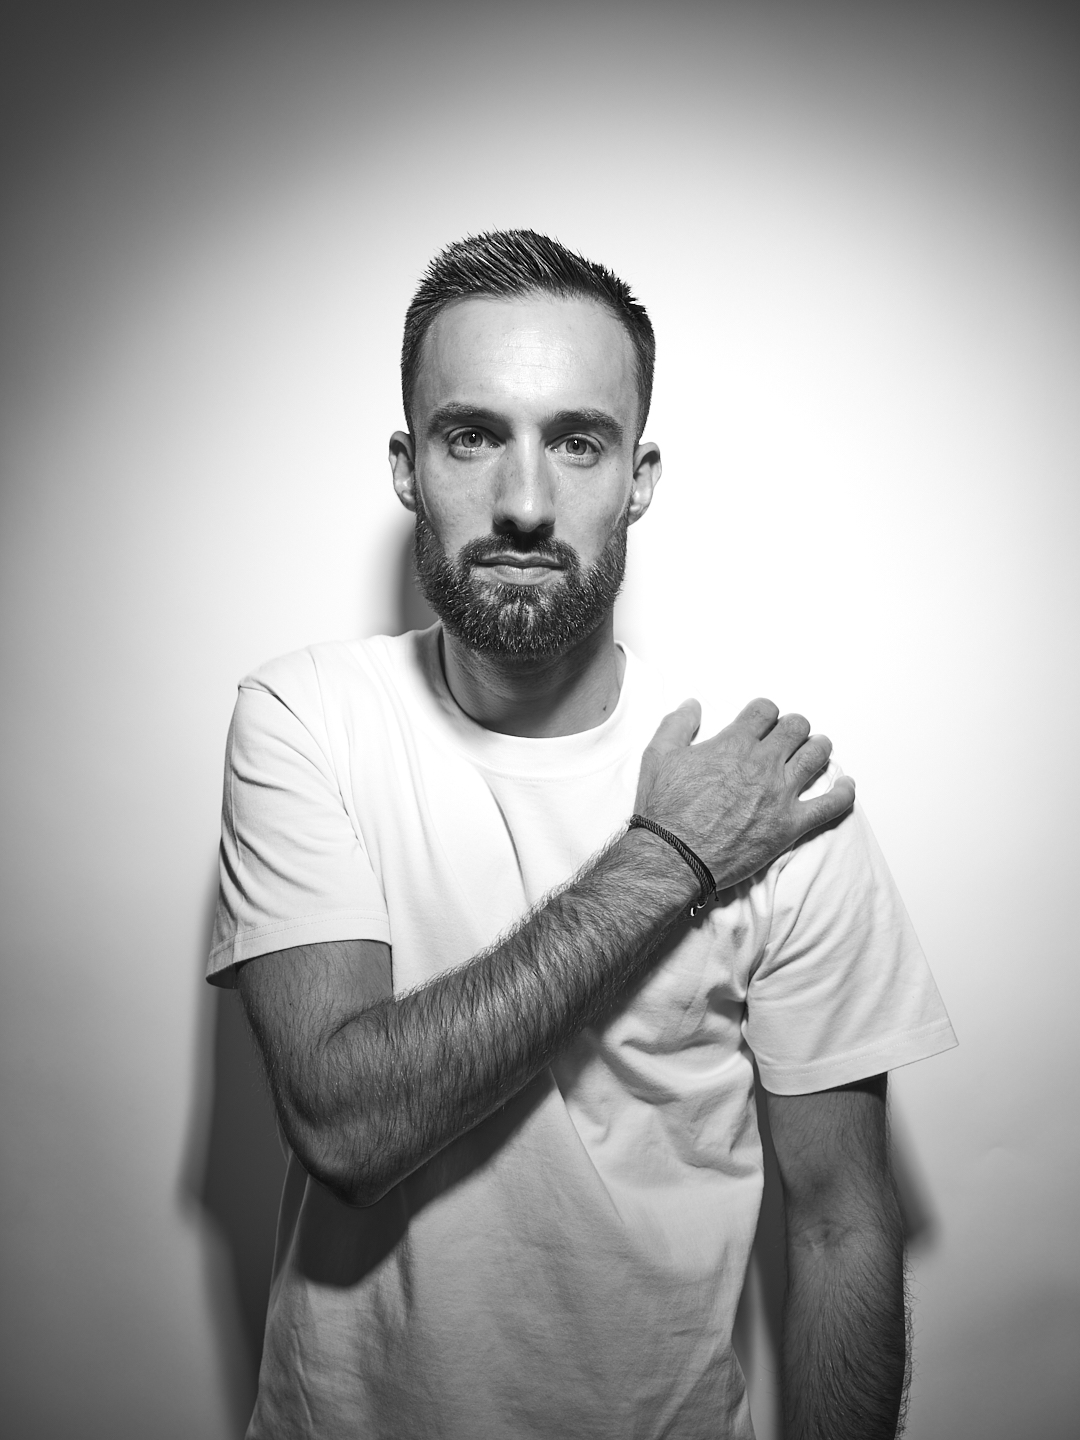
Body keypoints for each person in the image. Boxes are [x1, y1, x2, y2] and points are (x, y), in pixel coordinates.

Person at [208, 229, 956, 1440]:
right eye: (471, 436)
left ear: (640, 478)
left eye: (577, 441)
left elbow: (840, 1223)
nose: (523, 503)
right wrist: (670, 859)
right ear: (407, 466)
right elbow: (347, 1125)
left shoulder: (769, 795)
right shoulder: (308, 718)